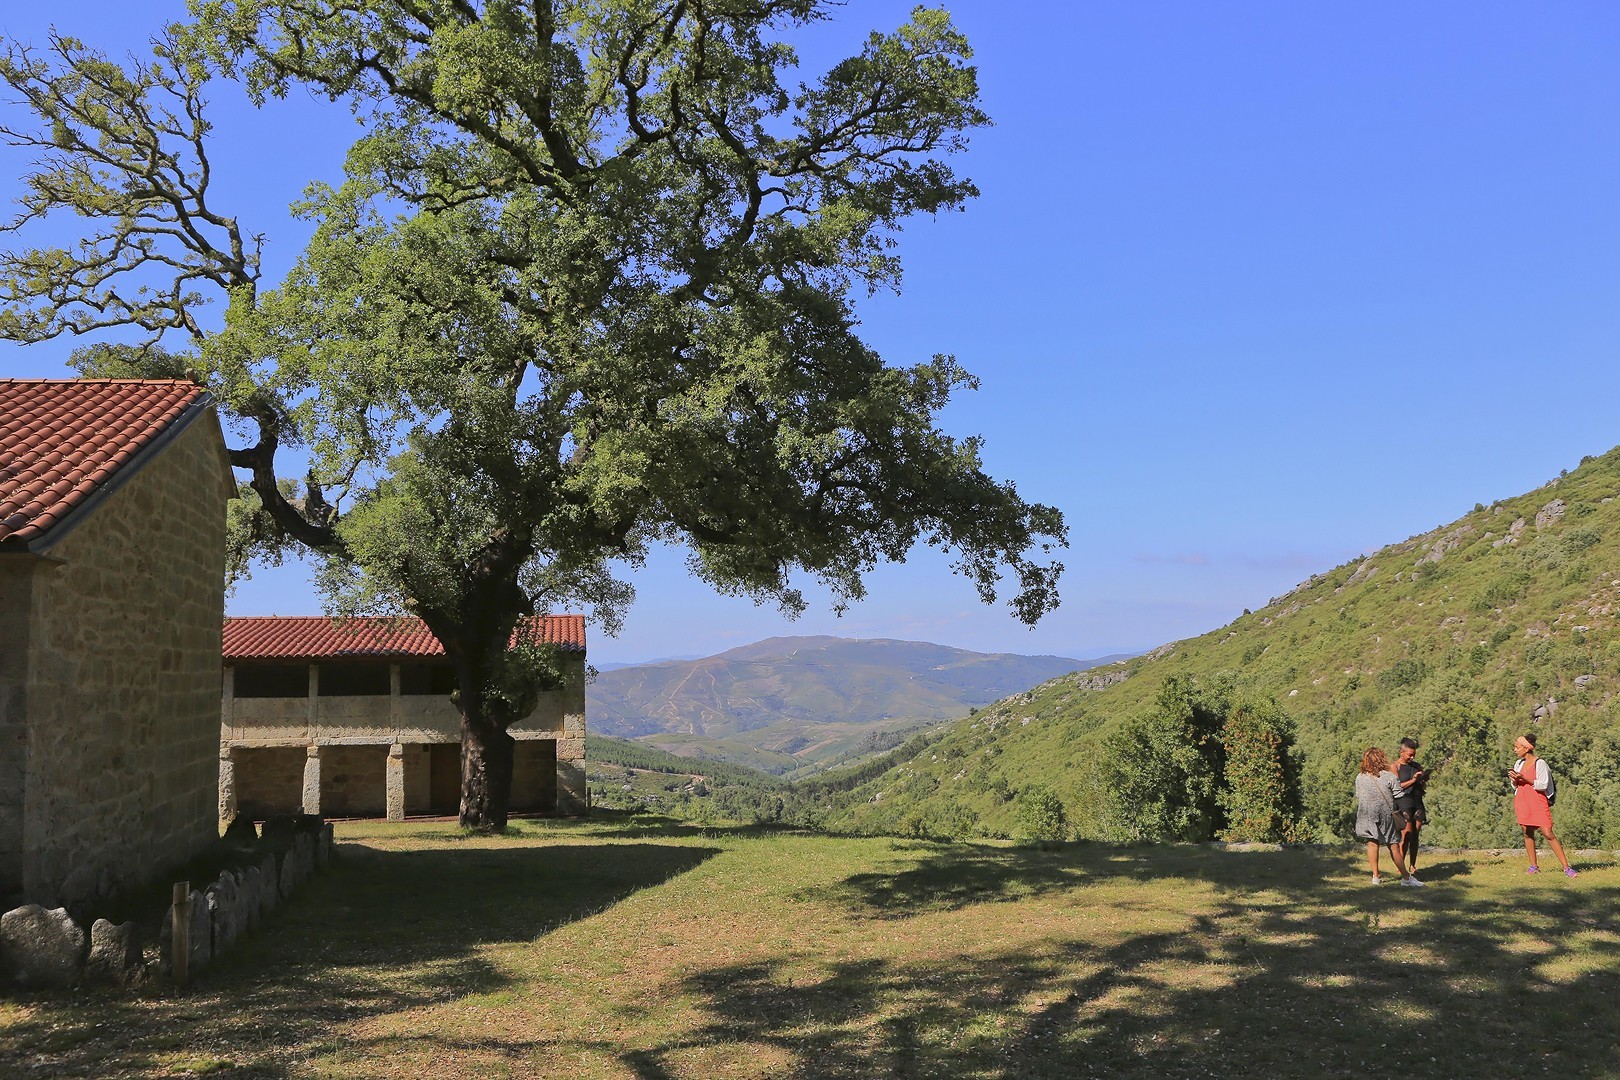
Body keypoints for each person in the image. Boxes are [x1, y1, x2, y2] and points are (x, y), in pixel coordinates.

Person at [1510, 733, 1576, 877]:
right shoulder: (1518, 764)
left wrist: (1524, 778)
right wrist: (1515, 780)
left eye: (1517, 747)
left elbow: (1543, 784)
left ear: (1526, 748)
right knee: (1527, 832)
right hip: (1523, 800)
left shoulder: (1540, 763)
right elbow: (1515, 786)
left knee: (1548, 832)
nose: (1515, 750)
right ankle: (1534, 866)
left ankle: (1566, 868)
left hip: (1537, 801)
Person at [1355, 747, 1420, 885]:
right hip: (1386, 815)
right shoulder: (1388, 776)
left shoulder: (1360, 777)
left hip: (1367, 814)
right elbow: (1399, 795)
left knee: (1372, 843)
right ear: (1381, 759)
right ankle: (1406, 878)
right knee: (1393, 845)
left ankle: (1375, 877)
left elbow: (1359, 795)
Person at [1392, 737, 1429, 876]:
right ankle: (1401, 866)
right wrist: (1413, 780)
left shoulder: (1417, 766)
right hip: (1403, 802)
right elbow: (1397, 786)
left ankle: (1413, 865)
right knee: (1406, 835)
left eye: (1414, 755)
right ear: (1402, 753)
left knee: (1415, 835)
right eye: (1410, 755)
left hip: (1417, 801)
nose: (1412, 757)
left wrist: (1423, 780)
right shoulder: (1394, 767)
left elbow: (1422, 786)